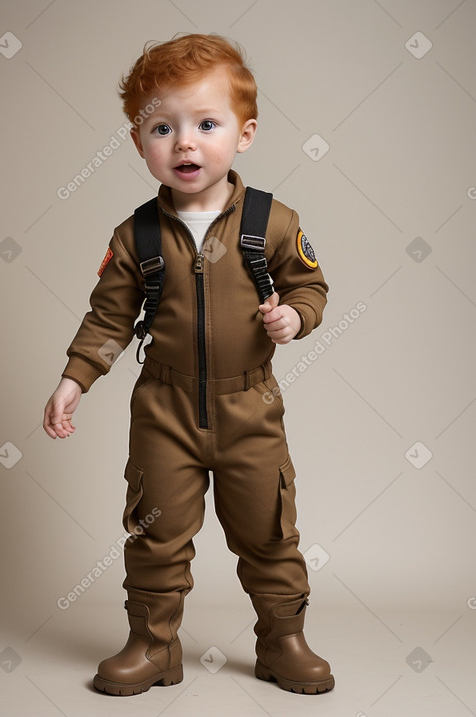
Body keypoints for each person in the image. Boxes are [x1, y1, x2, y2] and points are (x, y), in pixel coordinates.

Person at [43, 32, 334, 697]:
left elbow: (311, 288)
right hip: (164, 410)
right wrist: (74, 379)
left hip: (250, 408)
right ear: (139, 141)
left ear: (245, 132)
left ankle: (283, 639)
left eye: (206, 124)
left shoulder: (272, 221)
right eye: (161, 127)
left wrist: (295, 317)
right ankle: (152, 644)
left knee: (267, 530)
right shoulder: (137, 235)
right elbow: (109, 319)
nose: (184, 142)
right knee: (156, 533)